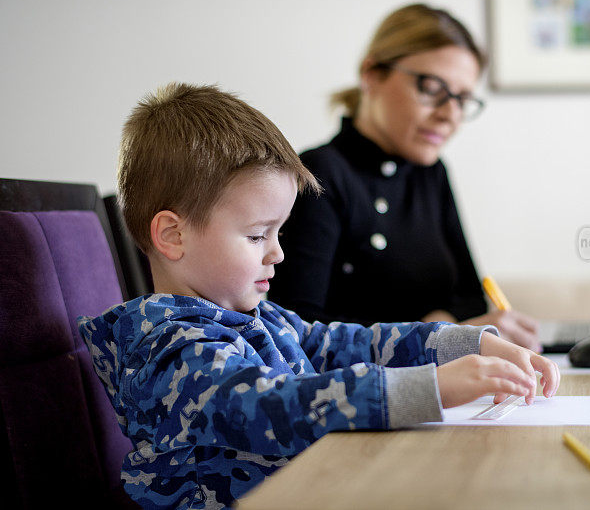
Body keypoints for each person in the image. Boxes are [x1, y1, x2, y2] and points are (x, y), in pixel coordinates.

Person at [78, 83, 560, 509]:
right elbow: (277, 406)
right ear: (173, 236)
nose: (278, 253)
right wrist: (431, 388)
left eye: (279, 232)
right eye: (257, 235)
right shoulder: (170, 350)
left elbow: (351, 344)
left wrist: (466, 344)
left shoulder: (260, 318)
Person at [269, 3, 542, 352]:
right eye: (431, 88)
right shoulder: (319, 174)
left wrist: (441, 324)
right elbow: (296, 333)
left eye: (462, 99)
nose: (449, 115)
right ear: (371, 74)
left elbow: (471, 298)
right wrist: (438, 336)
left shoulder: (431, 172)